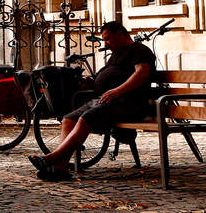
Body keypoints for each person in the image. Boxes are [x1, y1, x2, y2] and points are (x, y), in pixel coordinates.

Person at [29, 21, 156, 181]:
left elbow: (141, 74)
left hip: (129, 101)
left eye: (108, 38)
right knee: (69, 119)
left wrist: (117, 91)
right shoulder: (117, 54)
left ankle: (51, 159)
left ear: (120, 33)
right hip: (106, 100)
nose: (106, 43)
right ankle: (60, 167)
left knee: (85, 119)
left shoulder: (139, 50)